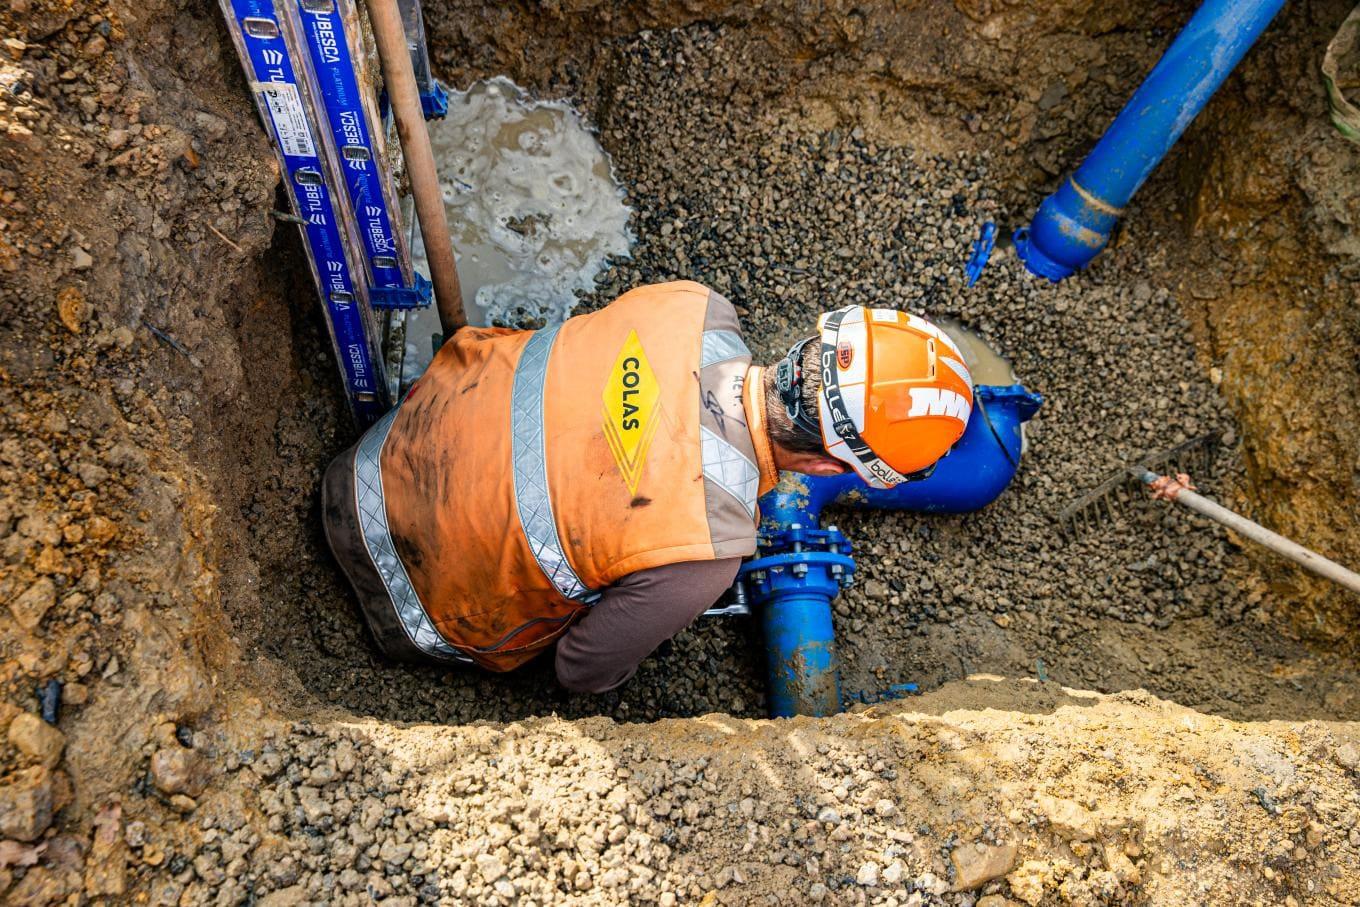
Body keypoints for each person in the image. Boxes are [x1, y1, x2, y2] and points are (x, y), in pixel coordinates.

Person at [321, 281, 973, 692]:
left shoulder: (695, 305)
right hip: (401, 596)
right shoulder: (704, 549)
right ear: (833, 469)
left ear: (809, 350)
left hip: (376, 454)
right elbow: (581, 669)